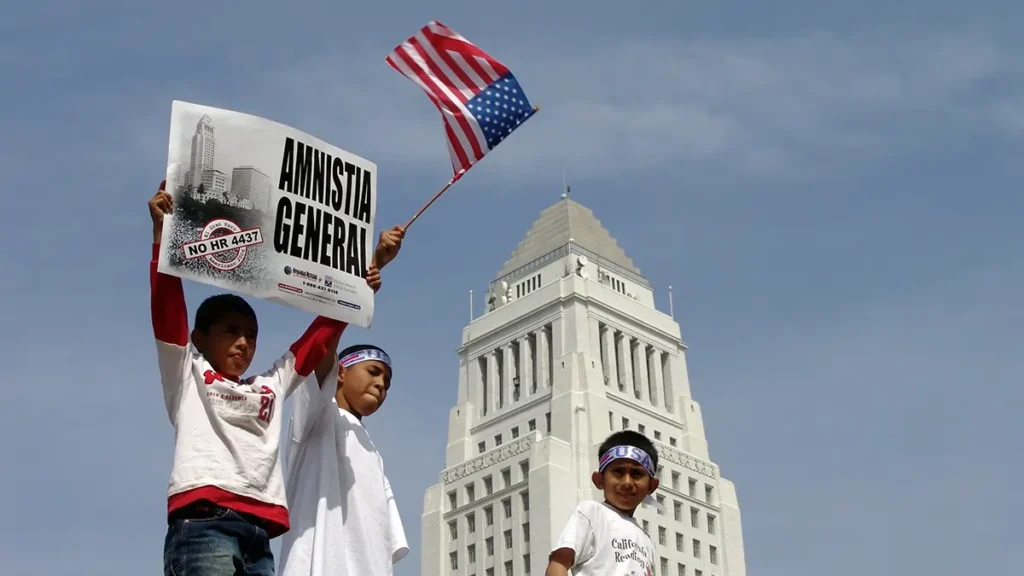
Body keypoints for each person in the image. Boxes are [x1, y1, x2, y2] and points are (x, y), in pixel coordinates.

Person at [148, 179, 402, 576]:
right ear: (200, 338)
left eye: (251, 335)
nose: (243, 342)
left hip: (259, 536)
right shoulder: (187, 373)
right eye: (231, 331)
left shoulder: (270, 384)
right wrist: (162, 235)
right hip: (203, 523)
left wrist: (367, 275)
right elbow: (167, 310)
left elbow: (316, 342)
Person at [278, 238, 408, 576]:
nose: (381, 385)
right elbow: (322, 347)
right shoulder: (316, 416)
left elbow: (386, 541)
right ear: (342, 372)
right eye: (374, 372)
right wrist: (367, 275)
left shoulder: (373, 453)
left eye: (388, 383)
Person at [546, 430, 660, 576]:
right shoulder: (591, 513)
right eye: (618, 472)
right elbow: (559, 562)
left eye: (636, 474)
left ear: (651, 486)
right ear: (599, 480)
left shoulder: (646, 540)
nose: (627, 482)